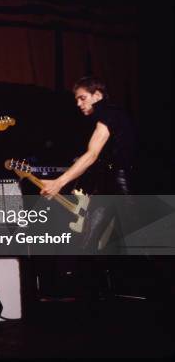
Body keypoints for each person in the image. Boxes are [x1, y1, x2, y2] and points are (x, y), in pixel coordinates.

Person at [41, 76, 136, 250]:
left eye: (82, 98)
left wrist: (58, 182)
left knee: (133, 240)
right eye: (76, 99)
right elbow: (100, 160)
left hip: (122, 184)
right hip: (108, 184)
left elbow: (92, 154)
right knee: (89, 241)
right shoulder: (104, 116)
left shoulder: (108, 111)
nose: (78, 104)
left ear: (98, 95)